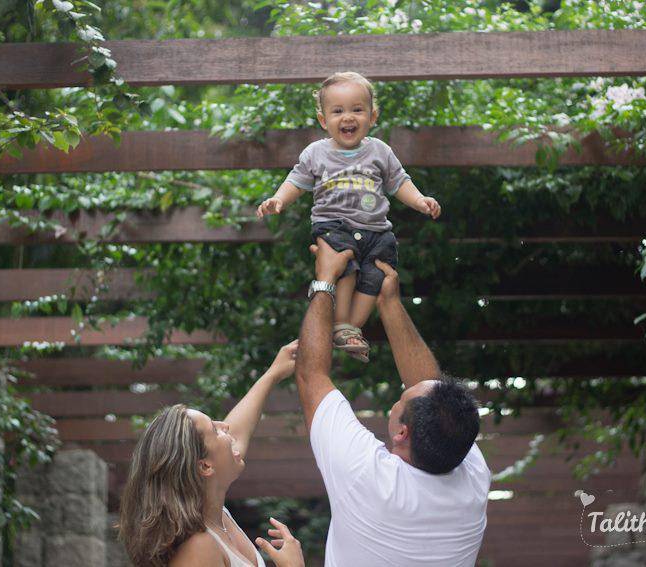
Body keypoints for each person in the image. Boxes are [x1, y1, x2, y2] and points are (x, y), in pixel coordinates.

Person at [294, 239, 491, 566]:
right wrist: (390, 304)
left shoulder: (369, 479)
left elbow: (311, 377)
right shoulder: (468, 474)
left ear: (402, 433)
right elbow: (430, 391)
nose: (407, 390)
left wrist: (324, 280)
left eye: (401, 399)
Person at [256, 71, 442, 363]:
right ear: (323, 120)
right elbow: (297, 181)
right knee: (345, 267)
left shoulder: (380, 151)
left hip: (376, 230)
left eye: (357, 109)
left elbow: (398, 181)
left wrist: (419, 200)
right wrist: (279, 199)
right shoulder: (316, 153)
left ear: (372, 115)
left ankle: (350, 329)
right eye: (338, 111)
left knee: (377, 275)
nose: (348, 117)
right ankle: (340, 319)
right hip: (334, 226)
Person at [118, 340, 305, 567]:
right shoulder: (198, 547)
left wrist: (273, 374)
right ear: (205, 466)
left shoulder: (217, 516)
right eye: (215, 429)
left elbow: (233, 435)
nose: (225, 427)